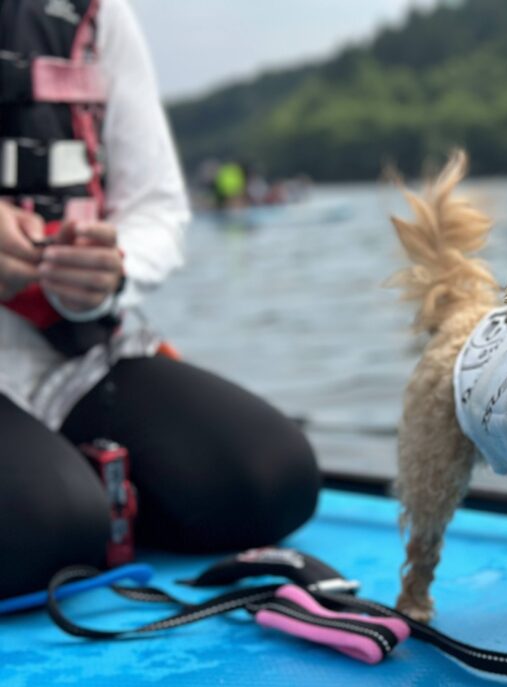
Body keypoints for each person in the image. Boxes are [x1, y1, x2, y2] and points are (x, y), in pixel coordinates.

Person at [0, 0, 320, 600]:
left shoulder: (98, 12)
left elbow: (156, 209)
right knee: (47, 532)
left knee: (272, 479)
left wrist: (112, 268)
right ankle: (56, 492)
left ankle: (61, 481)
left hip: (74, 356)